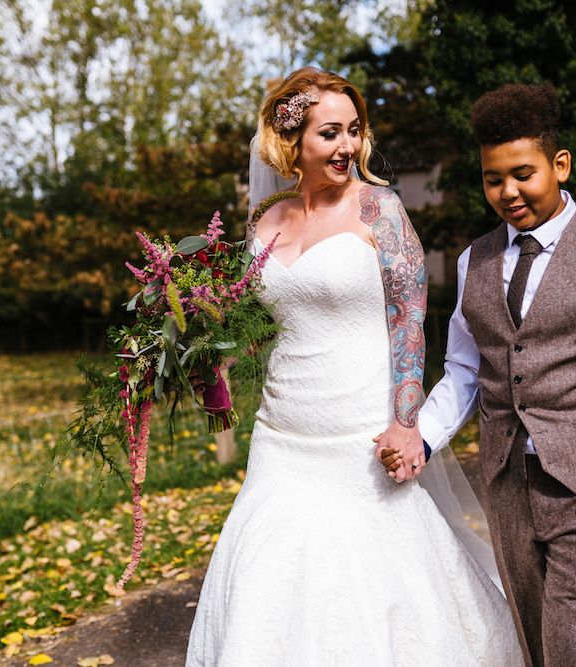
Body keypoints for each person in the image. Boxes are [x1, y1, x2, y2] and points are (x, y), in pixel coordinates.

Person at [185, 67, 523, 666]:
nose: (347, 147)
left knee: (374, 584)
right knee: (270, 580)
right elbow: (256, 328)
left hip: (360, 435)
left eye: (353, 131)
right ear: (292, 144)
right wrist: (194, 348)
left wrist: (406, 421)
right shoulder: (263, 221)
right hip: (282, 437)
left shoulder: (380, 211)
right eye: (329, 134)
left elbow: (411, 322)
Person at [405, 83, 576, 666]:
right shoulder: (473, 260)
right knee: (535, 645)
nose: (507, 192)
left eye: (523, 174)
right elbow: (462, 369)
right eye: (491, 178)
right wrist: (422, 439)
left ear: (560, 165)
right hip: (509, 486)